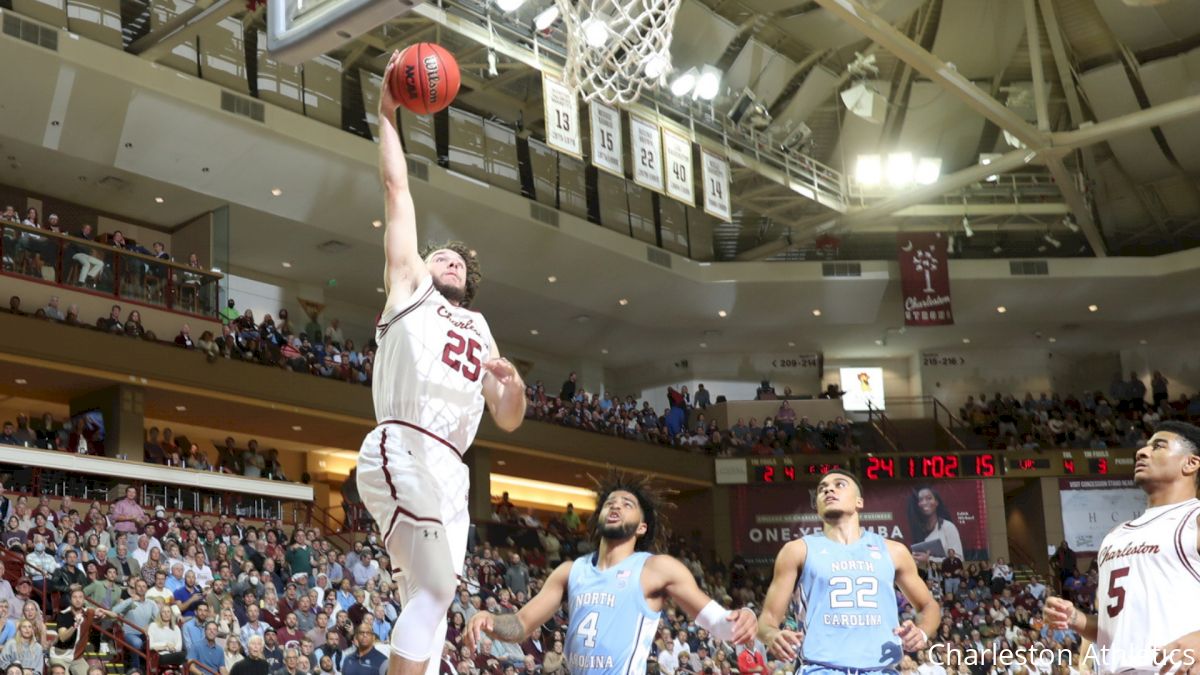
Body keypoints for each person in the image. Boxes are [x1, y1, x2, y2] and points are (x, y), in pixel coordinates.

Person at [355, 50, 528, 675]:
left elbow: (507, 419)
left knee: (427, 602)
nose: (449, 259)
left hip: (451, 472)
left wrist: (513, 387)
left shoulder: (480, 329)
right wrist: (386, 112)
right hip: (403, 445)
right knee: (435, 590)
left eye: (458, 260)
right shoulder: (408, 285)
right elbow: (396, 191)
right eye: (440, 254)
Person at [464, 472, 757, 675]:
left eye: (627, 504)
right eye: (610, 502)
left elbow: (718, 623)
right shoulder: (570, 571)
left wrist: (744, 618)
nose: (616, 505)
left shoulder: (656, 568)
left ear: (642, 527)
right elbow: (520, 624)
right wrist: (490, 621)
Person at [1045, 421, 1200, 673]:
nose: (1142, 452)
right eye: (1144, 446)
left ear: (1190, 463)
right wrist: (1077, 619)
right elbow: (1114, 629)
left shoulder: (1194, 518)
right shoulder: (1114, 537)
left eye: (1158, 446)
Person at [756, 470, 940, 673]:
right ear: (817, 506)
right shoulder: (797, 550)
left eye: (840, 484)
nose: (829, 489)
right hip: (821, 668)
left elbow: (928, 605)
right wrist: (772, 635)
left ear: (859, 502)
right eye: (822, 489)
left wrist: (921, 633)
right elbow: (767, 620)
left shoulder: (893, 550)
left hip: (881, 669)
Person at [906, 485, 963, 567]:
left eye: (929, 498)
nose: (924, 502)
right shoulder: (915, 530)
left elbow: (959, 559)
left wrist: (929, 559)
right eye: (920, 500)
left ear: (936, 502)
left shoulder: (948, 527)